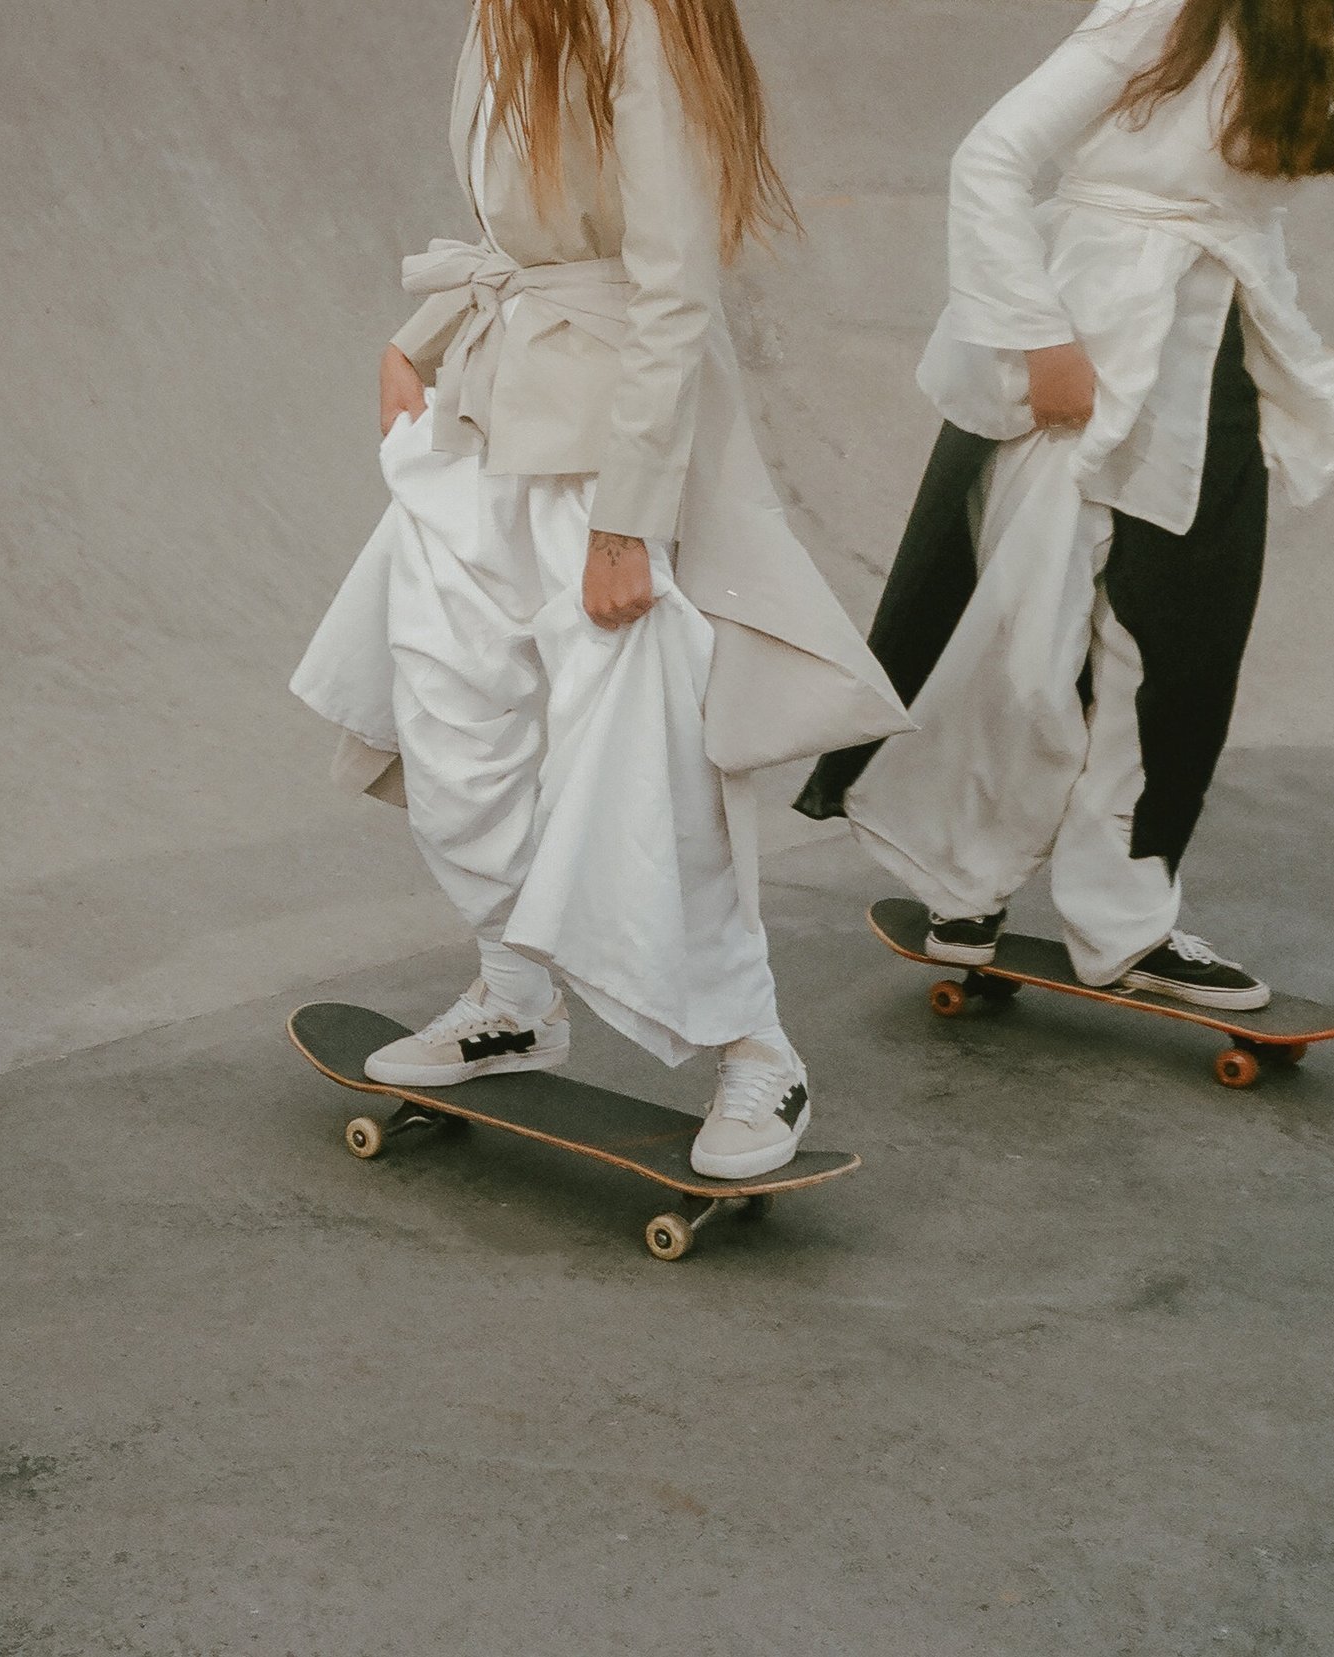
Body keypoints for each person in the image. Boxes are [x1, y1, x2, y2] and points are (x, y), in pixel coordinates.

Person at [292, 0, 908, 1178]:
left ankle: (756, 1051)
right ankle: (516, 997)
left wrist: (628, 517)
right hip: (490, 411)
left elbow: (673, 281)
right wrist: (414, 341)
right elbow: (518, 244)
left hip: (608, 444)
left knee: (644, 757)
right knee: (454, 714)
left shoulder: (636, 18)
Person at [797, 0, 1334, 1010]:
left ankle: (1123, 924)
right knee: (1024, 633)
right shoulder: (1170, 9)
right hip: (1089, 336)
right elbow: (992, 155)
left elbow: (1232, 204)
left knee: (1181, 645)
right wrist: (1037, 336)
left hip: (1211, 342)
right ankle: (964, 887)